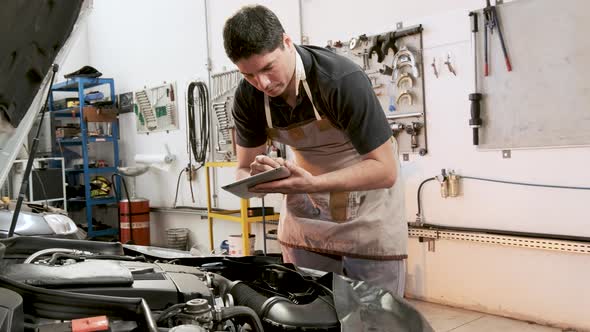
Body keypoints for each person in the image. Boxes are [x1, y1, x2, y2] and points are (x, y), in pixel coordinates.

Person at [223, 5, 407, 297]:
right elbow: (243, 169)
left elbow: (384, 170)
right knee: (310, 313)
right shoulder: (247, 98)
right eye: (249, 75)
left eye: (268, 67)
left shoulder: (340, 80)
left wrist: (313, 182)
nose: (263, 84)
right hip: (307, 214)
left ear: (286, 42)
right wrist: (261, 177)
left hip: (367, 210)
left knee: (376, 319)